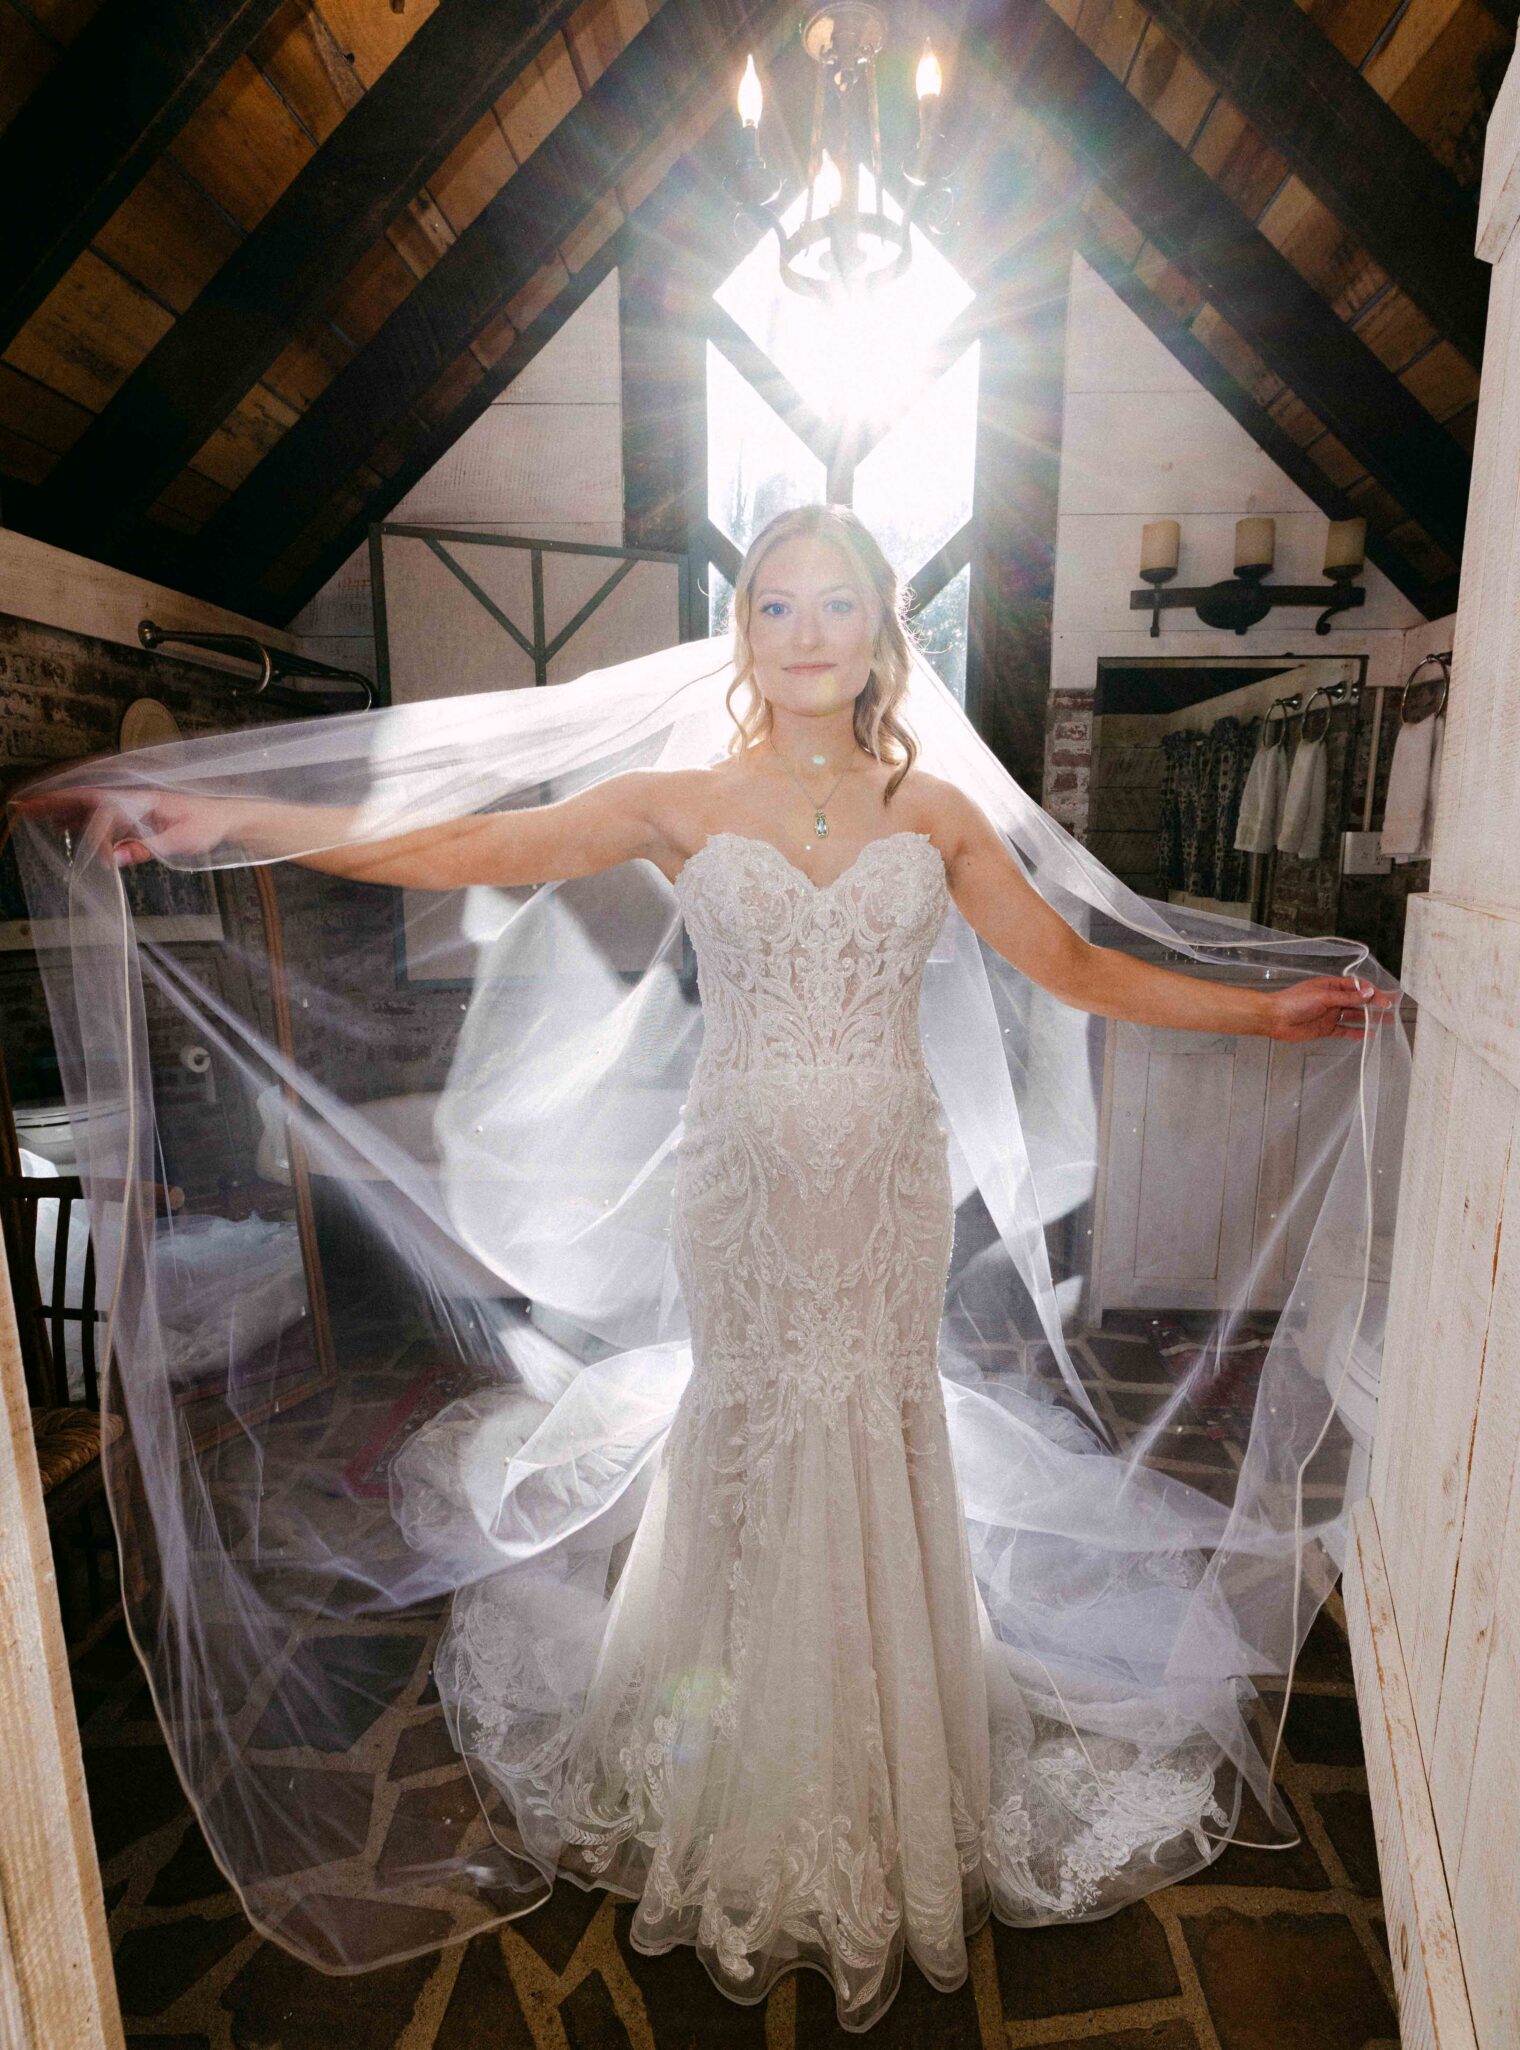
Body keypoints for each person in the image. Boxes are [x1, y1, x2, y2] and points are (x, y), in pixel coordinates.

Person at [15, 505, 1399, 2028]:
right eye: (775, 604)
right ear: (744, 630)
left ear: (881, 629)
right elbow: (472, 844)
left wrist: (1260, 1012)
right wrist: (234, 821)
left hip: (883, 1189)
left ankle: (892, 1750)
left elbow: (1071, 964)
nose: (805, 633)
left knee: (873, 1423)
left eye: (835, 604)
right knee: (747, 1426)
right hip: (741, 1190)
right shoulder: (675, 802)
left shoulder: (935, 810)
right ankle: (711, 1749)